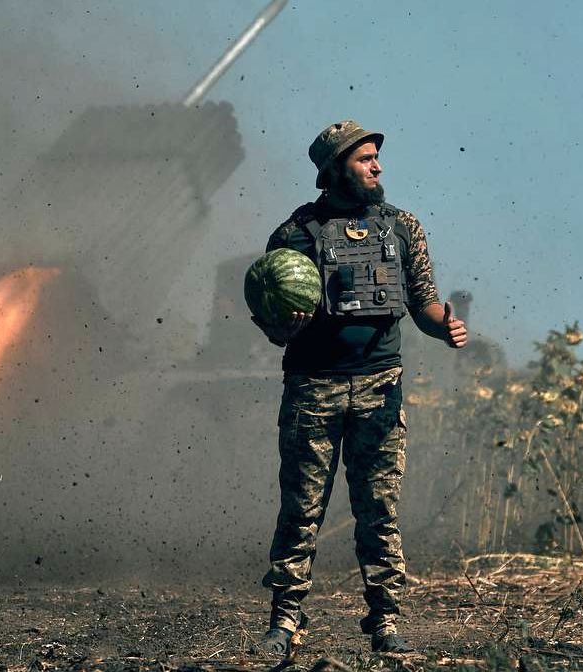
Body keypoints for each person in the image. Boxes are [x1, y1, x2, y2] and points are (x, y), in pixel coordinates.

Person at [250, 120, 468, 655]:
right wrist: (287, 323)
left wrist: (445, 326)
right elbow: (273, 324)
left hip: (379, 386)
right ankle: (285, 620)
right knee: (301, 508)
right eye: (364, 159)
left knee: (379, 509)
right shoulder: (295, 234)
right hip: (313, 388)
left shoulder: (402, 227)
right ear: (334, 170)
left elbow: (422, 303)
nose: (377, 167)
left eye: (376, 157)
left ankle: (385, 620)